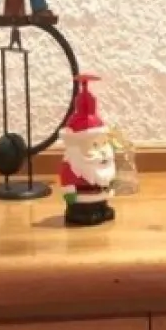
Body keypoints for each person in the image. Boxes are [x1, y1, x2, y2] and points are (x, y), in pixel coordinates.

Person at [59, 75, 117, 226]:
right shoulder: (73, 164)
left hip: (100, 196)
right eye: (94, 145)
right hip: (80, 202)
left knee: (102, 207)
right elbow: (67, 182)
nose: (103, 152)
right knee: (82, 212)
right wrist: (70, 195)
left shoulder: (97, 164)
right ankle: (81, 213)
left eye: (103, 143)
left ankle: (102, 207)